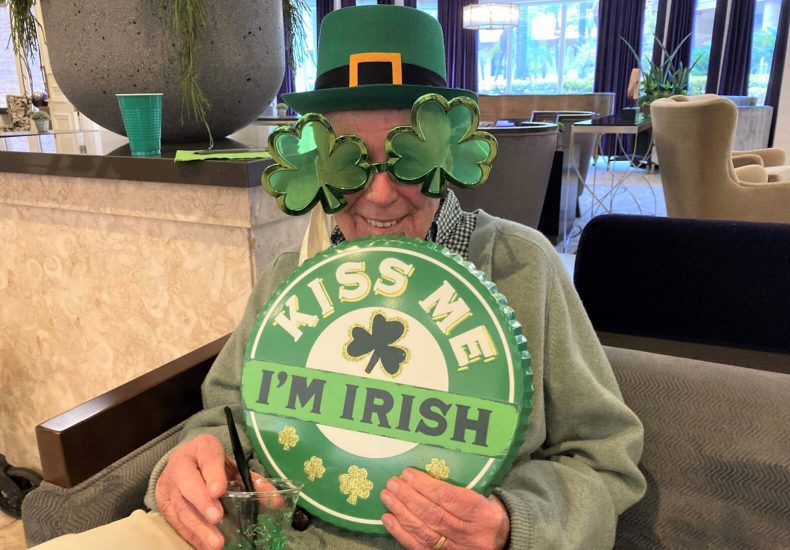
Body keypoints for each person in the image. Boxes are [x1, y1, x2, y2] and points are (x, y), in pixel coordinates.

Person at [35, 5, 645, 550]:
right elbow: (229, 413)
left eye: (408, 157)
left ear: (451, 151)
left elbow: (604, 458)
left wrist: (514, 522)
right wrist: (196, 459)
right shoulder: (288, 280)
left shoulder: (522, 266)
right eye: (349, 162)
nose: (379, 197)